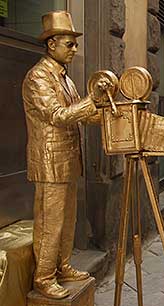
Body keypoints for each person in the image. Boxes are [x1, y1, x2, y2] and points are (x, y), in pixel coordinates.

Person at [22, 11, 111, 299]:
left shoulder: (66, 80)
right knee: (50, 222)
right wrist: (92, 101)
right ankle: (44, 277)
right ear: (51, 45)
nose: (75, 49)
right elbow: (58, 116)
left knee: (67, 219)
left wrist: (110, 112)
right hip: (49, 163)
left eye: (75, 44)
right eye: (69, 44)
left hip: (69, 161)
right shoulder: (38, 77)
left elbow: (81, 115)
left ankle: (61, 265)